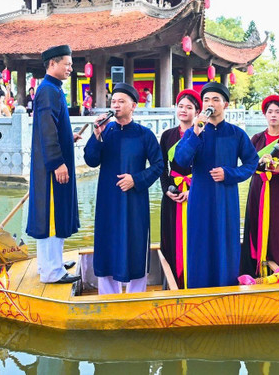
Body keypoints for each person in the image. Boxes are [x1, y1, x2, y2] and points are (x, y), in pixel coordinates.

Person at [174, 82, 258, 289]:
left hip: (226, 199)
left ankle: (226, 289)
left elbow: (251, 163)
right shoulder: (194, 132)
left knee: (225, 242)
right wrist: (196, 132)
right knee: (199, 242)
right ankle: (198, 290)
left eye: (215, 99)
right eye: (206, 100)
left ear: (225, 104)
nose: (210, 103)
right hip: (200, 198)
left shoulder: (236, 134)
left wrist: (229, 173)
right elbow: (181, 161)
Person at [83, 82, 163, 295]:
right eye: (113, 102)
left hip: (134, 200)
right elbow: (91, 160)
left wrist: (136, 180)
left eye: (121, 101)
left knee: (135, 242)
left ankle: (136, 295)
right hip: (107, 199)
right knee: (107, 241)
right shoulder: (105, 131)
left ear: (133, 106)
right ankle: (108, 296)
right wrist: (96, 135)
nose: (116, 105)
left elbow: (158, 165)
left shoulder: (144, 134)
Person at [26, 45, 83, 284]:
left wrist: (69, 137)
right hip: (51, 167)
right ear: (52, 64)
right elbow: (47, 131)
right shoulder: (48, 90)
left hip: (54, 162)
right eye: (67, 64)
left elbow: (55, 126)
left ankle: (52, 262)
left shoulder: (53, 88)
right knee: (50, 216)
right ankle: (51, 272)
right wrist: (58, 162)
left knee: (56, 213)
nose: (70, 68)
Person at [239, 95, 279, 280]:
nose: (274, 115)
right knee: (256, 224)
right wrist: (260, 162)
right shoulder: (256, 139)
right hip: (259, 188)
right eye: (270, 112)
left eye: (278, 112)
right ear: (265, 115)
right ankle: (256, 268)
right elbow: (248, 165)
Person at [158, 89, 201, 289]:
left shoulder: (203, 135)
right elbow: (161, 167)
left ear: (197, 111)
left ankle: (195, 282)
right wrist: (166, 189)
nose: (183, 110)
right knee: (172, 237)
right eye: (180, 106)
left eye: (189, 107)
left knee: (196, 236)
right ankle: (174, 281)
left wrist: (194, 191)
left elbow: (207, 168)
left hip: (197, 193)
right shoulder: (167, 135)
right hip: (173, 194)